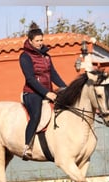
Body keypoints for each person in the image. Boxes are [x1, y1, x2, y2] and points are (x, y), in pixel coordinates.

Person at [19, 22, 67, 160]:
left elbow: (54, 74)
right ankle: (27, 146)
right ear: (30, 41)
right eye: (37, 41)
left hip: (48, 92)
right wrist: (46, 93)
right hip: (32, 93)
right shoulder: (25, 56)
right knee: (36, 115)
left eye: (41, 40)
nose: (40, 43)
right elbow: (30, 79)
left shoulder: (46, 56)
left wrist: (65, 88)